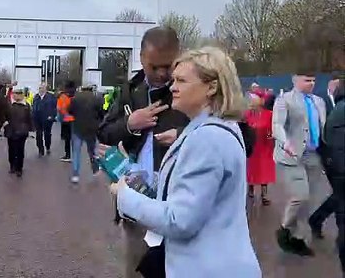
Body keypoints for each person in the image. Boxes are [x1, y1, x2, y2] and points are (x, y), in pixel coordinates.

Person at [110, 46, 261, 278]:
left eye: (181, 80)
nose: (172, 87)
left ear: (211, 87)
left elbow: (179, 220)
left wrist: (125, 196)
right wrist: (138, 177)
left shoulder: (207, 138)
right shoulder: (213, 127)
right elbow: (191, 188)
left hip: (207, 268)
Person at [97, 27, 189, 278]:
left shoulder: (192, 89)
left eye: (168, 66)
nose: (162, 74)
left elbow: (235, 135)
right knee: (137, 269)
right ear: (141, 58)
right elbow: (104, 134)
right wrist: (130, 124)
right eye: (154, 66)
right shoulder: (130, 90)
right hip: (137, 198)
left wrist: (183, 137)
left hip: (178, 202)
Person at [273, 72, 327, 256]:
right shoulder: (284, 100)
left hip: (313, 155)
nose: (311, 83)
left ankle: (299, 239)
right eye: (307, 80)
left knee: (309, 200)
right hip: (292, 156)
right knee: (300, 196)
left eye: (313, 80)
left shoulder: (319, 101)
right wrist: (284, 141)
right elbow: (277, 125)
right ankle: (284, 229)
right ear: (295, 80)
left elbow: (322, 126)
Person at [314, 79, 345, 272]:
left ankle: (316, 219)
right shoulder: (331, 107)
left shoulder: (338, 109)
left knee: (338, 201)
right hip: (338, 168)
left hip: (337, 169)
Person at [310, 73, 344, 239]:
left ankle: (317, 219)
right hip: (327, 154)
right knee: (340, 194)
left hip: (339, 153)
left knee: (339, 194)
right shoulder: (319, 100)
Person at [245, 89, 276, 205]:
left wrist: (271, 137)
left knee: (264, 170)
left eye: (253, 98)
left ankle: (264, 194)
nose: (251, 101)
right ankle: (250, 189)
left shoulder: (269, 114)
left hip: (265, 146)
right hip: (251, 147)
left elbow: (272, 129)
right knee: (251, 169)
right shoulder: (246, 114)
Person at [68, 85, 103, 183]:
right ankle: (95, 169)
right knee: (92, 151)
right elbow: (101, 113)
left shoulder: (75, 98)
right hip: (92, 129)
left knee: (76, 152)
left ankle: (75, 174)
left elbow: (69, 111)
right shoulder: (96, 98)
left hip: (78, 128)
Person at [5, 88, 33, 177]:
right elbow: (4, 115)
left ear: (22, 95)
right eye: (15, 93)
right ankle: (12, 165)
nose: (16, 95)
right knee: (11, 149)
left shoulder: (26, 106)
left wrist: (30, 128)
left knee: (20, 150)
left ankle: (19, 168)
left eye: (18, 94)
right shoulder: (9, 105)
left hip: (22, 131)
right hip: (11, 130)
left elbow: (29, 118)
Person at [32, 83, 57, 156]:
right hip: (37, 118)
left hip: (47, 118)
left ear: (46, 89)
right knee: (38, 134)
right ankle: (40, 149)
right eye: (40, 88)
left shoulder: (51, 97)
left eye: (42, 88)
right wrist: (33, 116)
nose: (40, 89)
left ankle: (48, 146)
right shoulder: (36, 97)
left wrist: (52, 116)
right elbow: (34, 106)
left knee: (47, 134)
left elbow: (55, 107)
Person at [57, 81, 76, 162]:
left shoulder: (63, 97)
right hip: (75, 120)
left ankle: (68, 155)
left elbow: (58, 108)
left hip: (65, 120)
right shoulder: (76, 96)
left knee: (67, 139)